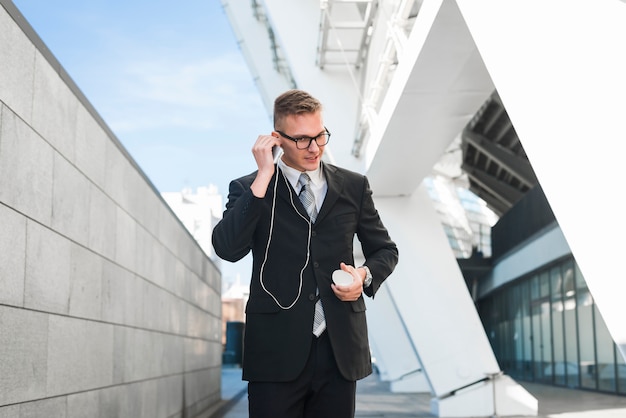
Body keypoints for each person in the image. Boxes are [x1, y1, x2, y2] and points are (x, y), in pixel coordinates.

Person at [212, 89, 398, 418]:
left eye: (320, 136)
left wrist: (363, 275)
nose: (315, 148)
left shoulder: (354, 187)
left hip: (338, 348)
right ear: (276, 139)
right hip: (274, 351)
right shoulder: (249, 188)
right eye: (301, 140)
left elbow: (385, 249)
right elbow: (227, 248)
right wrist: (264, 177)